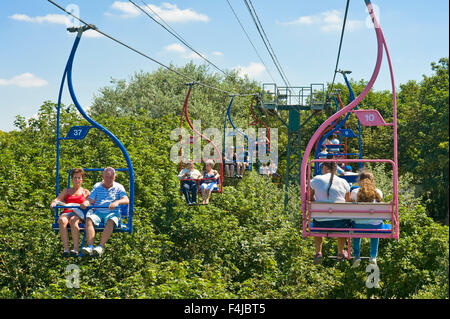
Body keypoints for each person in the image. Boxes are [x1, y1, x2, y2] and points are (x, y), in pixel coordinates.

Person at [80, 167, 129, 257]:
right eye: (107, 177)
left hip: (112, 212)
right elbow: (91, 198)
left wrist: (117, 202)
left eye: (111, 177)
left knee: (111, 220)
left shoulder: (119, 187)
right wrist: (86, 202)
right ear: (103, 176)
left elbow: (126, 199)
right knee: (89, 219)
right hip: (98, 212)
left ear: (114, 177)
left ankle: (100, 247)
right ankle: (90, 246)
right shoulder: (97, 186)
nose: (108, 179)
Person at [309, 161, 351, 264]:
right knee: (345, 223)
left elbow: (309, 197)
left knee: (316, 219)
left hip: (320, 222)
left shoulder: (316, 180)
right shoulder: (343, 182)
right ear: (336, 169)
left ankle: (318, 251)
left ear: (324, 167)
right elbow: (348, 202)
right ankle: (340, 251)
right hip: (339, 223)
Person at [50, 168, 90, 257]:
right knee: (62, 220)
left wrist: (86, 204)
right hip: (67, 212)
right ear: (72, 179)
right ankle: (66, 249)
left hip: (78, 213)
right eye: (75, 178)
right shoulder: (67, 191)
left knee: (73, 220)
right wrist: (54, 202)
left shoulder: (85, 192)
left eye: (79, 178)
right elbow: (58, 199)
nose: (77, 180)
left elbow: (92, 202)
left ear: (82, 179)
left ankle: (75, 248)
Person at [350, 170, 384, 267]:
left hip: (358, 225)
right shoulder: (378, 192)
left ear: (359, 181)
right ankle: (373, 256)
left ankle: (356, 255)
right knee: (375, 226)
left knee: (356, 228)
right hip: (374, 225)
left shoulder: (355, 192)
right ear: (372, 181)